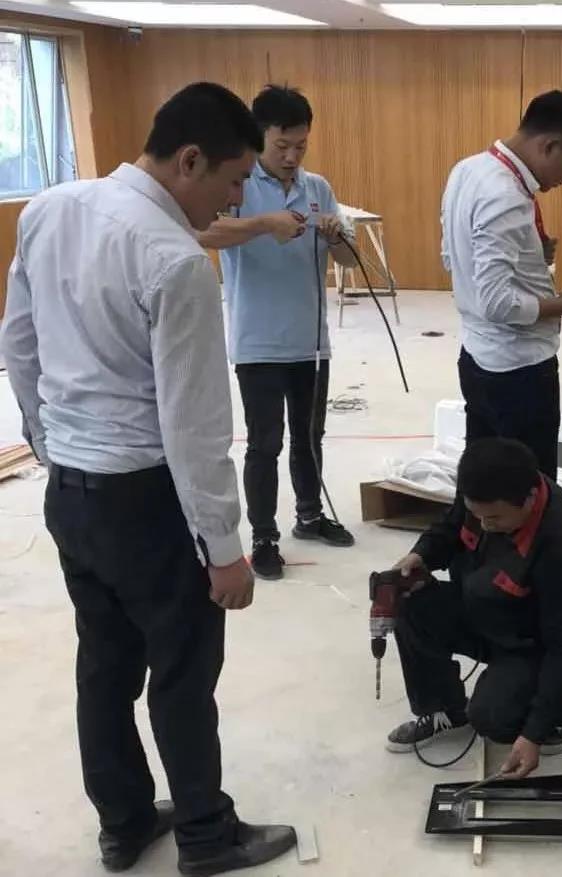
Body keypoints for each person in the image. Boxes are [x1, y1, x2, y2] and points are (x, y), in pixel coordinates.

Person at [0, 83, 296, 874]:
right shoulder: (175, 260)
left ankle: (125, 821)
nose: (236, 201)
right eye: (234, 180)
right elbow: (193, 424)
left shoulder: (50, 209)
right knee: (183, 673)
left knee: (103, 665)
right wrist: (225, 549)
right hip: (148, 499)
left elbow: (18, 345)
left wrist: (52, 444)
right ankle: (205, 834)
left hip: (73, 492)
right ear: (189, 160)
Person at [198, 84, 359, 581]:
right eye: (281, 146)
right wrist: (266, 222)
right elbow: (205, 233)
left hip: (311, 343)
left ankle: (309, 516)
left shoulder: (318, 188)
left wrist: (336, 236)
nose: (291, 157)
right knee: (264, 443)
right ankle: (263, 536)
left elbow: (349, 260)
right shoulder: (239, 187)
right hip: (258, 343)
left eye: (300, 146)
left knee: (310, 437)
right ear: (258, 138)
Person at [385, 437, 562, 779]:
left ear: (530, 498)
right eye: (477, 514)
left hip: (533, 644)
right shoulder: (483, 493)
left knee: (493, 718)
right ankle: (445, 709)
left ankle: (550, 723)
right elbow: (451, 525)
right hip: (486, 606)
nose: (485, 524)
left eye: (494, 518)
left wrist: (533, 733)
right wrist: (422, 555)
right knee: (409, 601)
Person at [441, 90, 562, 479]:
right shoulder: (506, 196)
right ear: (550, 145)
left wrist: (530, 255)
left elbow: (453, 257)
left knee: (482, 483)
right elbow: (498, 304)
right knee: (530, 488)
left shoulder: (468, 170)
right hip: (519, 370)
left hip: (476, 357)